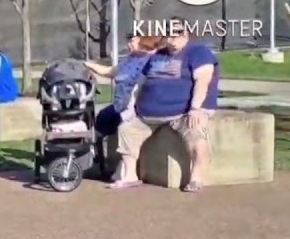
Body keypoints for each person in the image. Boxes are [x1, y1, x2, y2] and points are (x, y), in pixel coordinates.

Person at [110, 22, 219, 192]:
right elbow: (136, 80)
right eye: (169, 33)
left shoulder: (198, 52)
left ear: (186, 34)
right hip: (147, 115)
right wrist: (131, 107)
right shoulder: (157, 54)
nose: (173, 37)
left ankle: (196, 179)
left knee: (196, 134)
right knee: (127, 129)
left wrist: (196, 108)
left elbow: (203, 80)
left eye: (178, 32)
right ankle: (130, 176)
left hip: (182, 113)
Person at [85, 35, 161, 139]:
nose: (129, 44)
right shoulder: (130, 59)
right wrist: (88, 65)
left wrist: (130, 111)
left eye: (133, 41)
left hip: (134, 108)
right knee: (103, 117)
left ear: (144, 42)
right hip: (120, 106)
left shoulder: (151, 61)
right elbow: (110, 71)